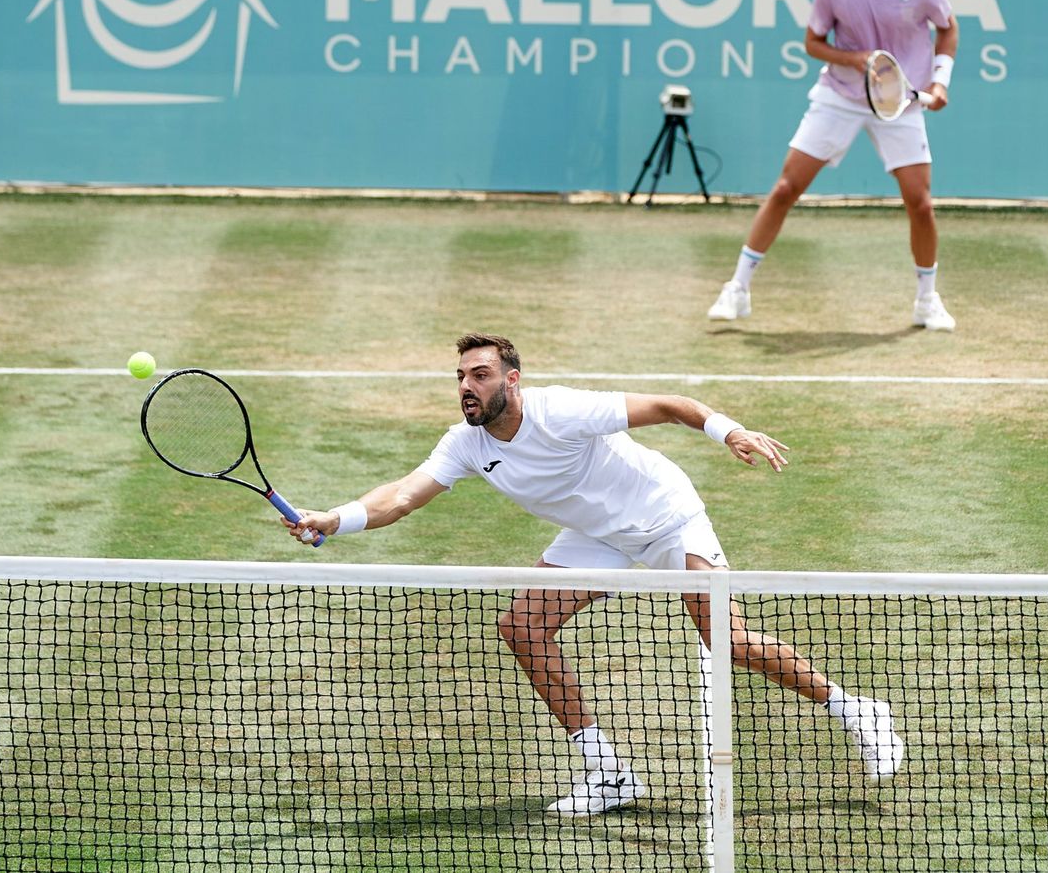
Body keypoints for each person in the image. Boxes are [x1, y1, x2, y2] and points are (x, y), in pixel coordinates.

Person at [283, 333, 904, 816]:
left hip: (664, 516)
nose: (467, 388)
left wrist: (731, 431)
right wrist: (334, 520)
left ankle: (858, 712)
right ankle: (608, 771)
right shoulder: (465, 442)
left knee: (729, 642)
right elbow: (402, 496)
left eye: (480, 375)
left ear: (512, 379)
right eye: (461, 378)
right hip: (597, 535)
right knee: (524, 627)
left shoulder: (563, 412)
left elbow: (670, 406)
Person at [707, 0, 959, 331]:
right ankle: (738, 288)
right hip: (840, 94)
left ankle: (926, 300)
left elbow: (948, 28)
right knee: (787, 187)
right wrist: (855, 57)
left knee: (920, 203)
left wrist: (939, 81)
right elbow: (813, 42)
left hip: (899, 102)